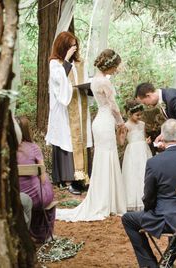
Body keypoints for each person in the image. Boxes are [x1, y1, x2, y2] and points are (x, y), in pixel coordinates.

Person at [121, 119, 176, 268]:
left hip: (167, 219)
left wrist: (149, 209)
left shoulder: (154, 162)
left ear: (162, 137)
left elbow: (149, 195)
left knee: (128, 219)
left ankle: (150, 264)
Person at [56, 49, 126, 221]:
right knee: (107, 157)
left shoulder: (95, 80)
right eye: (116, 66)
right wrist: (121, 122)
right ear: (110, 66)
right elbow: (114, 106)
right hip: (106, 121)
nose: (117, 69)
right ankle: (106, 201)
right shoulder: (105, 82)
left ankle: (105, 199)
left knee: (103, 158)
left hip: (100, 121)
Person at [45, 31, 92, 195]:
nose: (74, 48)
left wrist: (91, 87)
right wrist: (66, 60)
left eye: (75, 45)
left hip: (80, 106)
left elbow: (86, 79)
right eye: (71, 45)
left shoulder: (79, 62)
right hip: (64, 111)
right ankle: (67, 179)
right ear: (63, 46)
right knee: (67, 140)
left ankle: (84, 176)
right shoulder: (55, 63)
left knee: (81, 140)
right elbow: (59, 84)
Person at [16, 116, 55, 242]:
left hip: (16, 194)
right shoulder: (33, 148)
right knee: (47, 186)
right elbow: (42, 177)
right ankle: (44, 234)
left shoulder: (8, 149)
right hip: (37, 198)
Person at [118, 99, 152, 211]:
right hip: (132, 152)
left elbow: (144, 136)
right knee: (133, 174)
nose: (140, 117)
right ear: (129, 114)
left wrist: (147, 140)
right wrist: (119, 132)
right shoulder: (126, 125)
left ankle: (146, 199)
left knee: (143, 172)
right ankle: (133, 200)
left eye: (141, 114)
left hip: (143, 150)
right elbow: (122, 143)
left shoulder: (142, 124)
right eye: (137, 115)